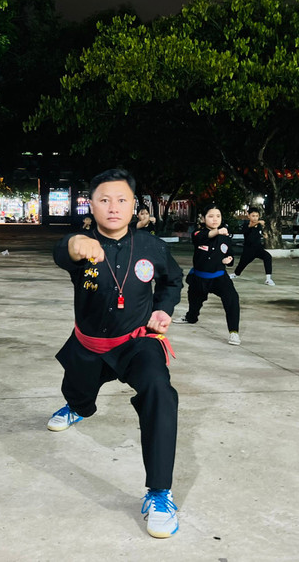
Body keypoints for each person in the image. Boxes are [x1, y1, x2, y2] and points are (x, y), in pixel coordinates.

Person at [48, 168, 183, 539]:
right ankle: (78, 407)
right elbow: (63, 251)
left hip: (137, 343)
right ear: (90, 204)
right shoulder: (82, 242)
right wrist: (76, 245)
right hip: (88, 345)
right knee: (77, 394)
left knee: (160, 391)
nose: (113, 207)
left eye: (121, 200)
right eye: (104, 199)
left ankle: (159, 493)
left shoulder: (153, 247)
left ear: (133, 205)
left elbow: (173, 280)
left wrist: (164, 308)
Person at [174, 203, 241, 345]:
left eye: (218, 216)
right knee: (194, 304)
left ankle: (234, 332)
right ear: (203, 219)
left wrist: (228, 260)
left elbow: (230, 255)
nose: (215, 219)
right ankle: (191, 318)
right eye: (210, 216)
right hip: (199, 278)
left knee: (232, 300)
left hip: (219, 278)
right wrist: (218, 231)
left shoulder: (226, 238)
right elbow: (206, 236)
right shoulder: (198, 234)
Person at [232, 208, 275, 285]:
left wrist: (263, 235)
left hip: (258, 249)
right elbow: (251, 225)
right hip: (248, 250)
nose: (255, 218)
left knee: (268, 257)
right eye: (253, 216)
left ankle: (268, 279)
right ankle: (235, 274)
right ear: (248, 216)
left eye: (257, 216)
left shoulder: (258, 226)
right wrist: (258, 222)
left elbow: (257, 233)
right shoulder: (246, 225)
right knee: (242, 264)